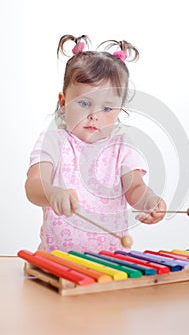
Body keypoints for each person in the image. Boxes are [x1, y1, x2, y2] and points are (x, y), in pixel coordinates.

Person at [25, 34, 167, 253]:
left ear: (119, 110)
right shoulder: (52, 141)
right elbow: (34, 185)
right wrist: (51, 193)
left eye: (107, 108)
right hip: (57, 261)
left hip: (111, 263)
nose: (94, 115)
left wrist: (150, 202)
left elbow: (135, 188)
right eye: (84, 103)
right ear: (63, 102)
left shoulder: (122, 147)